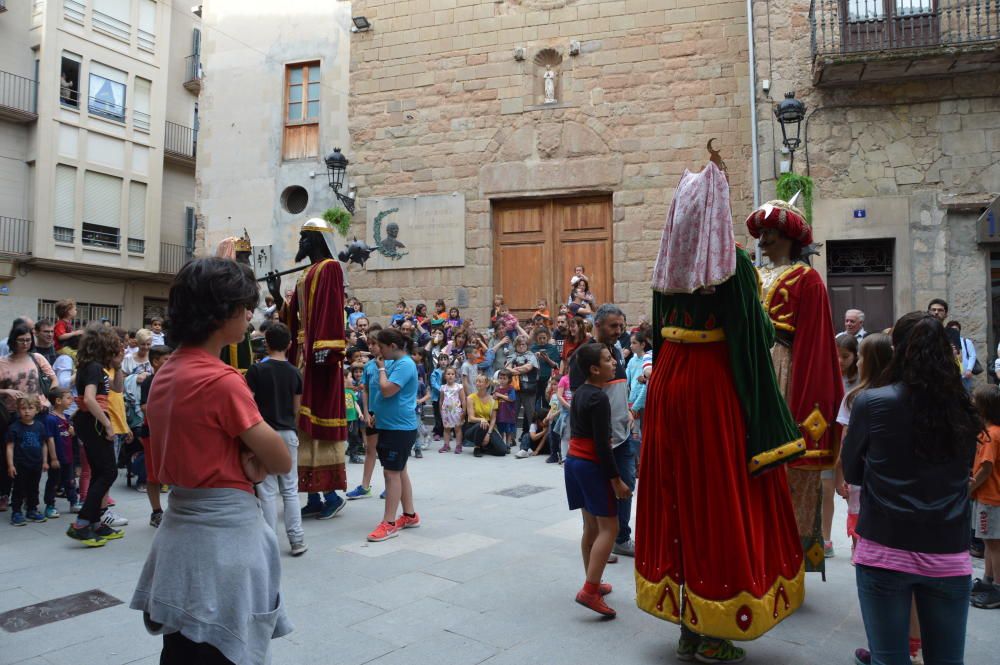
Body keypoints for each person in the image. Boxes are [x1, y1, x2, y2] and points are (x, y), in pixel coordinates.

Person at [637, 162, 805, 661]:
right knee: (718, 498)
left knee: (676, 494)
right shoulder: (732, 266)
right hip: (712, 390)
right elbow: (755, 338)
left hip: (670, 384)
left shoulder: (666, 263)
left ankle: (688, 623)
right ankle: (714, 628)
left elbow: (658, 328)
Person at [130, 257, 292, 664]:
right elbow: (280, 458)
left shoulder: (165, 374)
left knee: (183, 651)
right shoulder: (222, 382)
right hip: (223, 542)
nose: (250, 314)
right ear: (223, 314)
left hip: (179, 533)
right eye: (244, 306)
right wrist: (252, 461)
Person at [842, 312, 979, 665]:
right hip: (948, 550)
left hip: (885, 546)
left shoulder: (872, 403)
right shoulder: (964, 408)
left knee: (889, 659)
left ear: (898, 349)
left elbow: (854, 472)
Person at [747, 196, 844, 578]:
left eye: (770, 233)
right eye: (763, 233)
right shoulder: (754, 275)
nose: (764, 240)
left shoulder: (808, 279)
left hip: (785, 368)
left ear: (788, 236)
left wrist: (807, 405)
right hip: (754, 369)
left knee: (786, 471)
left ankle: (788, 559)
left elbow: (816, 343)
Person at [266, 218, 349, 521]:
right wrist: (277, 296)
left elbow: (330, 308)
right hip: (303, 355)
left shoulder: (329, 267)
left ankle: (330, 495)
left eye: (304, 237)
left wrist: (325, 349)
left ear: (316, 239)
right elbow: (293, 317)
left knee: (318, 424)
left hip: (319, 357)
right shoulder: (305, 274)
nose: (300, 242)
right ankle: (314, 495)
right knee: (303, 427)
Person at [565, 343, 631, 617]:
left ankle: (593, 580)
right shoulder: (600, 398)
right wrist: (616, 480)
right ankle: (590, 590)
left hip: (573, 463)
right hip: (591, 466)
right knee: (610, 528)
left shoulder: (581, 392)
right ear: (594, 369)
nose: (613, 362)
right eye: (608, 360)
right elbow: (603, 446)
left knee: (591, 528)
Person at [568, 304, 634, 559]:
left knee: (626, 488)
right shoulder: (584, 356)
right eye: (613, 326)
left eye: (621, 325)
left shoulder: (616, 351)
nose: (619, 330)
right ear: (598, 325)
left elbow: (618, 389)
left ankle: (620, 537)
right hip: (599, 442)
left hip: (623, 435)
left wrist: (627, 409)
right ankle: (598, 542)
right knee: (597, 496)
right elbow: (581, 399)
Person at [245, 322, 307, 557]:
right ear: (290, 344)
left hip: (264, 432)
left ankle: (269, 542)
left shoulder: (256, 370)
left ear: (266, 343)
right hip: (288, 431)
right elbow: (296, 408)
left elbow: (248, 403)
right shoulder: (294, 372)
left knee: (267, 490)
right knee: (291, 488)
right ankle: (297, 539)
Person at [65, 324, 126, 546]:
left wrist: (118, 366)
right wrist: (107, 425)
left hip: (91, 422)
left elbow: (118, 390)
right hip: (94, 423)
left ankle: (95, 522)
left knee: (102, 472)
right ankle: (82, 524)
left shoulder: (97, 367)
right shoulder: (92, 368)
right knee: (108, 472)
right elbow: (90, 399)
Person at [367, 329, 421, 542]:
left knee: (391, 474)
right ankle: (409, 515)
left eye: (380, 346)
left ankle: (388, 523)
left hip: (399, 428)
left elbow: (387, 389)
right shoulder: (393, 363)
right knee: (399, 471)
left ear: (392, 346)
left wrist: (381, 369)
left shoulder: (405, 365)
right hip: (390, 425)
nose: (377, 350)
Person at [970, 385, 1000, 609]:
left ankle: (997, 587)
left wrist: (969, 489)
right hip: (990, 497)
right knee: (990, 544)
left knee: (994, 545)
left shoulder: (991, 435)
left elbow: (986, 468)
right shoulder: (991, 432)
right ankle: (989, 581)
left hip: (990, 498)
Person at [5, 395, 54, 526]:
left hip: (36, 464)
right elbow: (10, 446)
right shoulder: (14, 427)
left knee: (34, 488)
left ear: (37, 410)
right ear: (18, 410)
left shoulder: (40, 426)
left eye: (30, 408)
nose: (26, 411)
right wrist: (10, 465)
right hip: (20, 464)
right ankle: (16, 512)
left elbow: (44, 444)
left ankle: (32, 509)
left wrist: (45, 461)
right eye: (23, 408)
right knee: (19, 489)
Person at [346, 328, 383, 501]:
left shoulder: (391, 365)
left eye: (375, 343)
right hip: (372, 414)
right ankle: (365, 486)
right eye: (369, 343)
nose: (372, 347)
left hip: (387, 415)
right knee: (370, 449)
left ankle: (392, 486)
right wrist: (367, 412)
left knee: (388, 451)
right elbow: (366, 391)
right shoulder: (368, 366)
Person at [139, 345, 171, 527]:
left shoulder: (176, 379)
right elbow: (144, 407)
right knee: (153, 475)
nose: (170, 363)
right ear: (155, 361)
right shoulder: (148, 382)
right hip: (152, 433)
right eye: (167, 360)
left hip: (173, 433)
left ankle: (176, 510)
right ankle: (156, 511)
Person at [43, 387, 78, 519]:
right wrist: (53, 458)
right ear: (58, 401)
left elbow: (72, 435)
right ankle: (50, 505)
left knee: (70, 481)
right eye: (68, 398)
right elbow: (50, 439)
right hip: (57, 458)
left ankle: (73, 502)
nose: (72, 400)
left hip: (68, 457)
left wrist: (72, 432)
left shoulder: (67, 417)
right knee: (54, 482)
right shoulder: (50, 419)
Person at [464, 373, 504, 457]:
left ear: (487, 384)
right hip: (473, 426)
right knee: (482, 424)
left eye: (480, 381)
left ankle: (483, 448)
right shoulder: (470, 398)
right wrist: (482, 419)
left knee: (502, 451)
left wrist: (488, 434)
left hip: (488, 426)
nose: (477, 383)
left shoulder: (493, 399)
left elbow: (493, 419)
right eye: (477, 381)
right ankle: (477, 447)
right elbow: (470, 418)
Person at [438, 366, 465, 454]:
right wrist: (441, 411)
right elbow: (441, 400)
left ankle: (458, 445)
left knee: (457, 429)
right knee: (446, 429)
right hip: (446, 412)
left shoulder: (459, 387)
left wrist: (464, 411)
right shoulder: (443, 387)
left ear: (455, 376)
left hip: (456, 412)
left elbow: (463, 400)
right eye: (448, 374)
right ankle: (446, 445)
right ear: (445, 376)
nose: (450, 376)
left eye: (452, 374)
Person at [531, 327, 559, 412]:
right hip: (535, 380)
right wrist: (535, 358)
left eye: (544, 338)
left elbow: (556, 365)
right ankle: (530, 424)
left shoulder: (552, 348)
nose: (542, 340)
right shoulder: (532, 349)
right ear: (536, 338)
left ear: (548, 337)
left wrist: (547, 359)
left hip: (548, 380)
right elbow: (528, 364)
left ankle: (546, 423)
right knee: (532, 404)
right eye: (540, 338)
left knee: (547, 403)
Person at [946, 320, 978, 392]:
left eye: (956, 330)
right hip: (950, 374)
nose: (954, 332)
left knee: (966, 394)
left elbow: (972, 356)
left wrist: (969, 369)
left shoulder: (966, 341)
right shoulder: (945, 342)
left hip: (964, 375)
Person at [494, 369, 518, 450]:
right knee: (501, 430)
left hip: (509, 413)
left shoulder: (511, 388)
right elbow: (494, 398)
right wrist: (495, 396)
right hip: (500, 413)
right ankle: (501, 444)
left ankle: (508, 445)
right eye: (500, 378)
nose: (502, 380)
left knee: (508, 431)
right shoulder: (497, 389)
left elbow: (511, 398)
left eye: (504, 379)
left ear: (509, 380)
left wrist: (500, 395)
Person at [430, 352, 447, 441]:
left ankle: (446, 431)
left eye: (445, 359)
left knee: (446, 414)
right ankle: (438, 432)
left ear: (448, 361)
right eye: (441, 360)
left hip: (447, 398)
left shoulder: (449, 371)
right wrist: (442, 389)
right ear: (438, 362)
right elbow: (433, 384)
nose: (443, 362)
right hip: (437, 398)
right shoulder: (435, 372)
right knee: (438, 415)